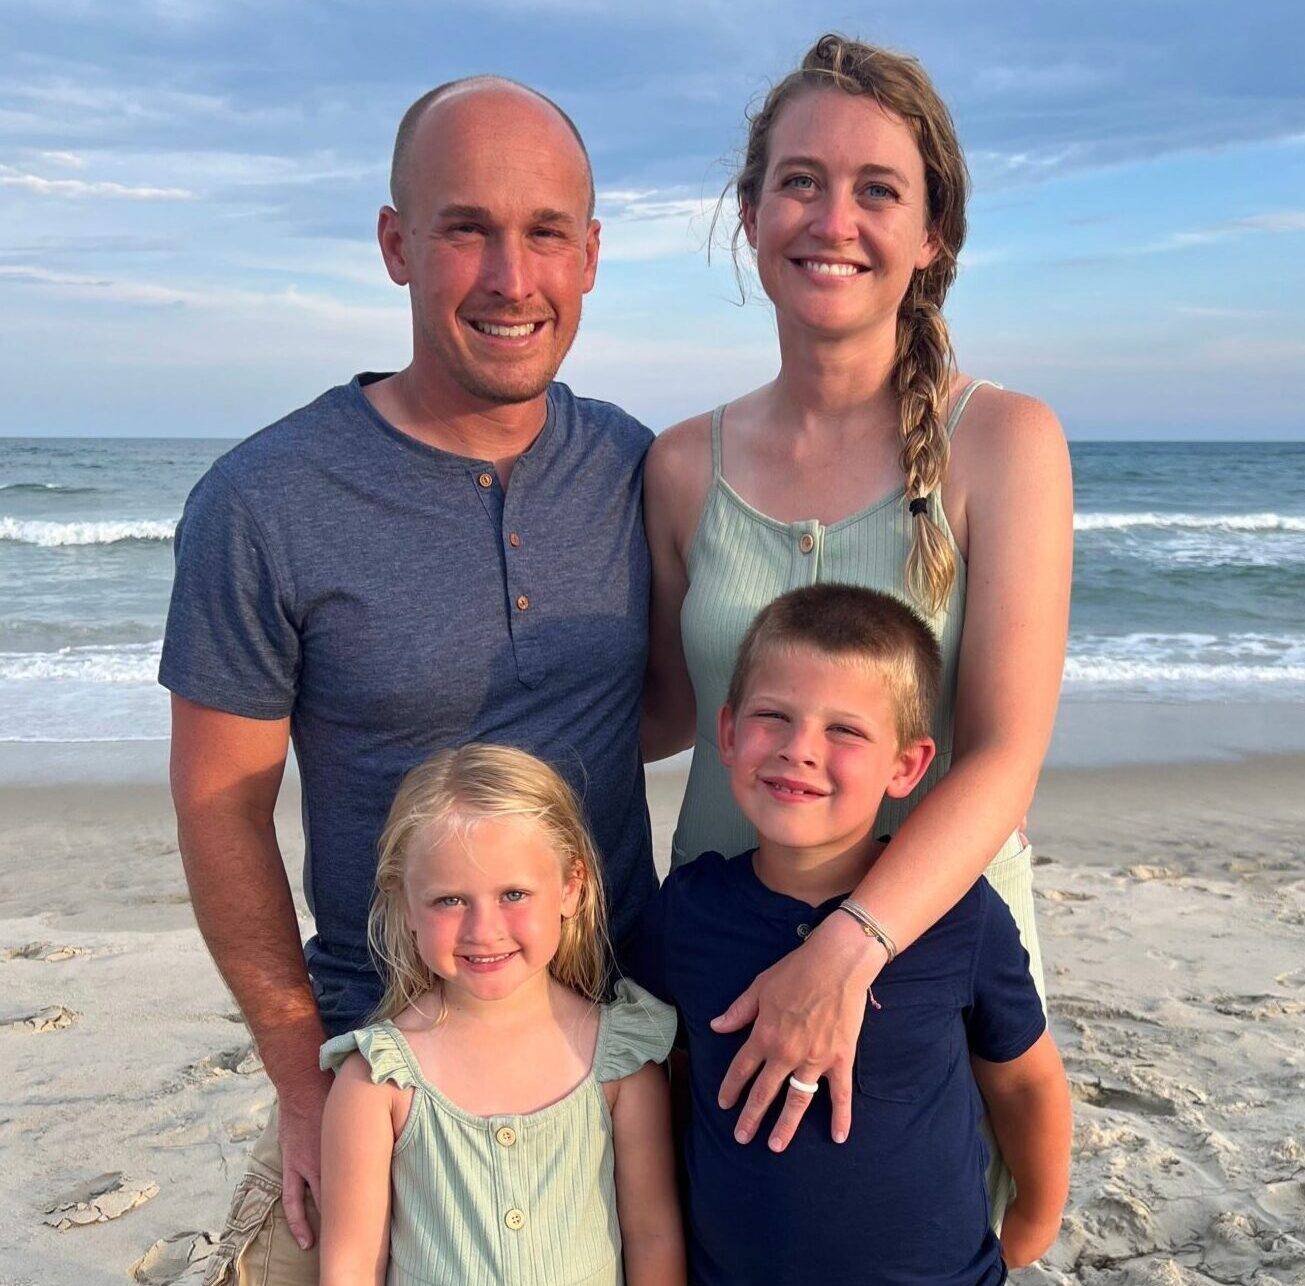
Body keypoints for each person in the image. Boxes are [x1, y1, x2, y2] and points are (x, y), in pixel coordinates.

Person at [160, 77, 658, 1285]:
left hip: (621, 1046)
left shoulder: (638, 471)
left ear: (591, 257)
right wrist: (298, 1076)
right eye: (464, 228)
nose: (509, 275)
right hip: (382, 1060)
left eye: (545, 232)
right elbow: (219, 801)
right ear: (396, 244)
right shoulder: (265, 502)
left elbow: (691, 702)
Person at [640, 33, 1074, 1211]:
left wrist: (847, 946)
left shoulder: (1007, 442)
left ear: (931, 235)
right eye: (800, 181)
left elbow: (1003, 752)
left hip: (935, 951)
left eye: (878, 189)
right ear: (750, 212)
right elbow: (663, 716)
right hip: (724, 946)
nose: (834, 218)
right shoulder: (683, 464)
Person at [629, 585, 1072, 1283]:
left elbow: (1023, 1085)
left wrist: (1034, 1220)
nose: (799, 751)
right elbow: (664, 1084)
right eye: (772, 717)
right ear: (727, 734)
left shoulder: (956, 915)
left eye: (844, 731)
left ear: (906, 766)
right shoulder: (686, 911)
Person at [319, 744, 684, 1286]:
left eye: (513, 893)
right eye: (449, 900)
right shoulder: (378, 1078)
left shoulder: (622, 1058)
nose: (482, 931)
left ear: (570, 888)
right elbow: (351, 1265)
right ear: (404, 904)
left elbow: (652, 1236)